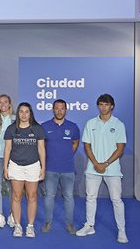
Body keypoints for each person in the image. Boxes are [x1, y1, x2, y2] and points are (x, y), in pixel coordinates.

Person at [76, 94, 128, 244]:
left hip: (112, 170)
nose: (103, 107)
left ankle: (122, 230)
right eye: (100, 104)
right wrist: (96, 163)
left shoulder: (118, 124)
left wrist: (104, 164)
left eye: (106, 104)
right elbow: (87, 145)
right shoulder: (91, 123)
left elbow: (120, 148)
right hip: (93, 169)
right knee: (90, 198)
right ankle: (89, 225)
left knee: (116, 200)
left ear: (112, 106)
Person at [3, 102, 45, 238]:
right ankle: (18, 226)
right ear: (18, 113)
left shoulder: (37, 129)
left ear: (30, 113)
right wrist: (5, 167)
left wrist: (43, 168)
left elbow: (41, 149)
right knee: (16, 196)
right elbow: (7, 149)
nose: (24, 114)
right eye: (21, 111)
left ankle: (30, 227)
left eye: (27, 112)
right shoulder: (11, 129)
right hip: (15, 166)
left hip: (33, 166)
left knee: (32, 197)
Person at [42, 99, 80, 234]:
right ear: (52, 110)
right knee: (49, 196)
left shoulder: (73, 127)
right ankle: (47, 222)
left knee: (69, 197)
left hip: (68, 169)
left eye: (62, 108)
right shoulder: (44, 126)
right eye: (57, 108)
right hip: (50, 168)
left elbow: (75, 143)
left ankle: (69, 224)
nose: (59, 111)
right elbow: (42, 146)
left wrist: (67, 155)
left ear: (66, 110)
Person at [0, 94, 15, 228]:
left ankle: (12, 214)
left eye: (5, 102)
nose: (3, 104)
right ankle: (0, 215)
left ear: (10, 104)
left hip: (13, 157)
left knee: (12, 187)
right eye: (0, 102)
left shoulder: (15, 119)